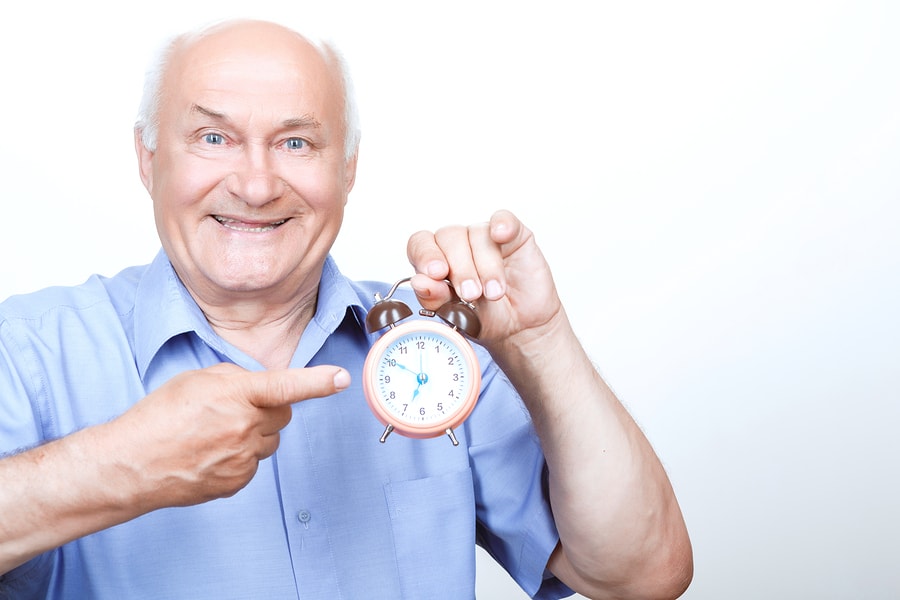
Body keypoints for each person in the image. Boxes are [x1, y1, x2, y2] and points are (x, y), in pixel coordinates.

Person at [0, 18, 692, 600]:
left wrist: (539, 342)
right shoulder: (27, 352)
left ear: (348, 169)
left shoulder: (436, 353)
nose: (256, 182)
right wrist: (123, 464)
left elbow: (642, 574)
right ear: (148, 159)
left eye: (296, 142)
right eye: (214, 138)